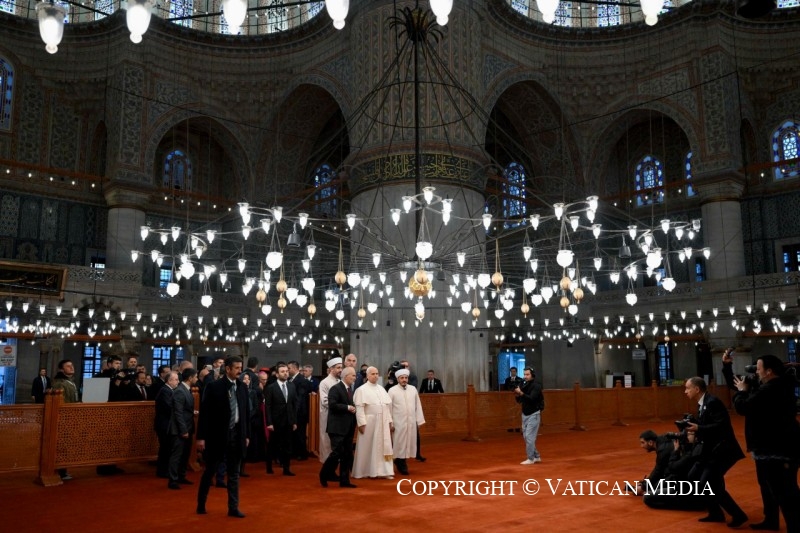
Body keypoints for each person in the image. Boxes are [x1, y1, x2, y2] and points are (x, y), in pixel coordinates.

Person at [723, 352, 800, 531]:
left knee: (785, 491)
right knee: (768, 486)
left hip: (778, 448)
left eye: (758, 369)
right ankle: (771, 519)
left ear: (769, 371)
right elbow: (737, 384)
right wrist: (727, 367)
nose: (755, 372)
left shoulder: (772, 389)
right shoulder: (769, 385)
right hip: (768, 447)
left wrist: (742, 392)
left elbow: (743, 406)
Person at [684, 376, 747, 527]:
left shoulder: (712, 402)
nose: (685, 391)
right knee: (694, 477)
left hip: (723, 450)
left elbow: (721, 426)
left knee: (709, 483)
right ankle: (715, 512)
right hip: (710, 451)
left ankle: (737, 515)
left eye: (687, 388)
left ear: (697, 389)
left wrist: (699, 428)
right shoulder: (702, 403)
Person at [196, 356, 250, 518]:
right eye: (236, 368)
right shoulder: (214, 387)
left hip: (237, 435)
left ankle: (233, 508)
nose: (240, 371)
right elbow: (205, 414)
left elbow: (245, 413)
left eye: (241, 368)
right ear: (227, 369)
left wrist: (246, 435)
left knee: (234, 474)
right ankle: (201, 504)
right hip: (217, 436)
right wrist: (201, 437)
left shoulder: (242, 387)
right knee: (210, 471)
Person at [353, 366, 394, 479]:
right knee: (368, 447)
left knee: (384, 446)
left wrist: (390, 422)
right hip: (369, 423)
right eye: (373, 374)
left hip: (383, 422)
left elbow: (386, 407)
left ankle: (384, 471)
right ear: (367, 375)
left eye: (377, 374)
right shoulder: (361, 390)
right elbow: (360, 409)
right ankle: (366, 471)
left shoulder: (381, 389)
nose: (375, 376)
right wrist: (361, 424)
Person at [319, 366, 358, 488]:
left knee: (347, 454)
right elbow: (332, 405)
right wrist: (347, 407)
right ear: (346, 376)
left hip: (348, 427)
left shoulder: (350, 390)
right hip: (337, 428)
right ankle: (324, 474)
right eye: (353, 375)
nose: (355, 378)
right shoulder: (335, 389)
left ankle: (344, 481)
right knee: (337, 453)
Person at [388, 368, 425, 475]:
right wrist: (390, 423)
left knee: (409, 442)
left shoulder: (413, 389)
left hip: (411, 421)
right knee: (399, 443)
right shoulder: (392, 390)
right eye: (402, 378)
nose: (404, 380)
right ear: (398, 379)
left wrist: (418, 420)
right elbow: (389, 408)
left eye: (406, 378)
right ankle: (400, 462)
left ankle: (401, 461)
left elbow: (418, 405)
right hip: (398, 423)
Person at [263, 363, 297, 476]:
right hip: (275, 421)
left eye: (286, 371)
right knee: (273, 445)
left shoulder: (292, 386)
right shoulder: (271, 387)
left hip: (288, 421)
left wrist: (294, 421)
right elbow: (267, 406)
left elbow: (294, 404)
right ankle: (268, 466)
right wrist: (269, 423)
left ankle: (286, 469)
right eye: (282, 371)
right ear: (277, 374)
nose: (285, 373)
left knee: (288, 445)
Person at [167, 368, 197, 489]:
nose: (196, 379)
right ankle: (173, 480)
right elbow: (178, 413)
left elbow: (185, 409)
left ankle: (181, 476)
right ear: (190, 378)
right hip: (180, 430)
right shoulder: (180, 391)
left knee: (185, 455)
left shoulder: (186, 390)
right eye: (195, 377)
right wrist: (183, 430)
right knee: (177, 456)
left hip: (187, 428)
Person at [51, 359, 78, 480]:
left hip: (70, 416)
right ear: (61, 370)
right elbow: (61, 402)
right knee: (61, 445)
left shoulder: (69, 382)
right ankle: (59, 471)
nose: (71, 367)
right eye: (68, 366)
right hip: (63, 418)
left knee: (66, 445)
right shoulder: (60, 383)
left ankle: (63, 469)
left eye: (72, 365)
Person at [514, 367, 544, 465]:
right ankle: (536, 456)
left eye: (527, 374)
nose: (525, 376)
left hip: (534, 414)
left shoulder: (537, 386)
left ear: (532, 375)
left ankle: (530, 458)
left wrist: (521, 393)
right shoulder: (524, 385)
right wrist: (517, 394)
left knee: (529, 437)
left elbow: (531, 399)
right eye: (524, 374)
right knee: (526, 437)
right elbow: (520, 400)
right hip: (525, 414)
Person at [154, 371, 179, 479]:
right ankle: (162, 471)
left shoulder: (168, 390)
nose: (178, 381)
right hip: (164, 425)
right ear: (169, 380)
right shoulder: (165, 391)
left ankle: (165, 470)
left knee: (167, 448)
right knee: (165, 448)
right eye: (176, 379)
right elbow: (169, 408)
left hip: (166, 424)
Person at [318, 357, 342, 463]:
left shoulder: (340, 381)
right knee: (326, 439)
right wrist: (340, 406)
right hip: (328, 415)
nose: (340, 370)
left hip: (339, 415)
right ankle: (326, 462)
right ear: (331, 369)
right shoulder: (324, 382)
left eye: (341, 367)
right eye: (338, 368)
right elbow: (325, 401)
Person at [288, 361, 311, 460]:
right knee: (295, 433)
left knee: (300, 433)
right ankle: (295, 452)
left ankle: (302, 454)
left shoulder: (301, 380)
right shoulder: (291, 379)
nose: (288, 370)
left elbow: (299, 398)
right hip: (294, 411)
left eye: (289, 368)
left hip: (300, 412)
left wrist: (294, 412)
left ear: (294, 368)